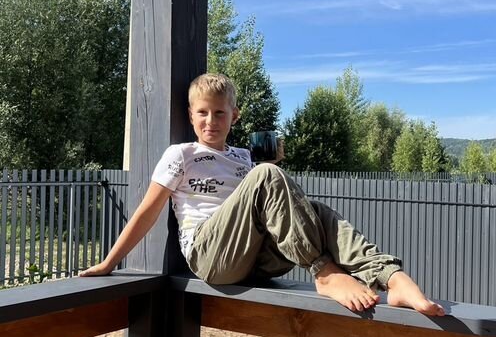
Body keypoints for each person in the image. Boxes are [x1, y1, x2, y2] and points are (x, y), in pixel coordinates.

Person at [81, 73, 444, 316]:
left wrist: (275, 167)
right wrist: (110, 263)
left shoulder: (244, 158)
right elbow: (148, 210)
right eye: (202, 113)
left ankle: (390, 278)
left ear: (234, 116)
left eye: (219, 113)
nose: (211, 121)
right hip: (212, 257)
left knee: (316, 209)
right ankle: (325, 273)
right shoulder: (182, 155)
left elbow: (277, 208)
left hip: (256, 260)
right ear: (191, 116)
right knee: (267, 175)